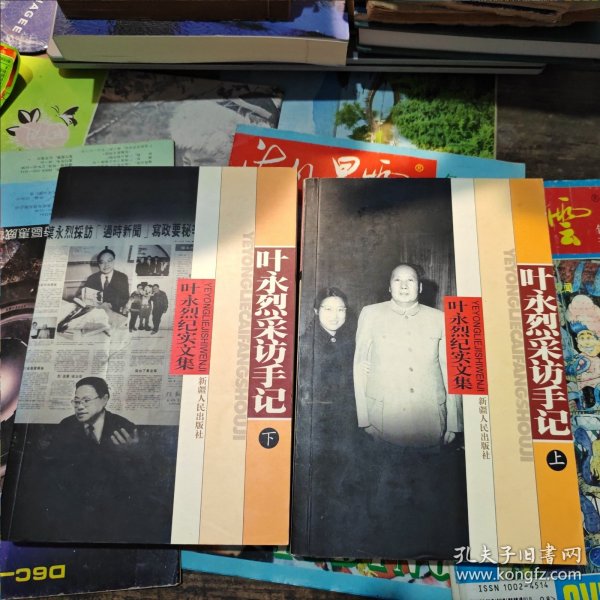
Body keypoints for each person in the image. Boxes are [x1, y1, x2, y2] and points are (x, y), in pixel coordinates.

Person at [354, 263, 461, 449]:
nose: (403, 286)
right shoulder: (370, 314)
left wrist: (453, 423)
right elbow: (360, 367)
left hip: (430, 422)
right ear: (389, 287)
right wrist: (365, 420)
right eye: (397, 280)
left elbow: (451, 371)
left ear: (420, 287)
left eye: (410, 280)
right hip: (383, 422)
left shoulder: (440, 319)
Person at [82, 248, 130, 314]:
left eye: (109, 261)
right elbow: (85, 297)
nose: (106, 265)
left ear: (114, 262)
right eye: (102, 262)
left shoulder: (122, 277)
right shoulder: (91, 278)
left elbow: (125, 298)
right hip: (96, 313)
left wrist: (111, 305)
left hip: (114, 313)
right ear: (99, 264)